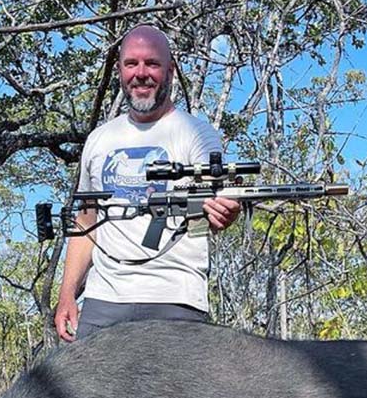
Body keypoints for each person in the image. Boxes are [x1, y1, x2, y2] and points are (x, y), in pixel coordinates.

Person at [54, 25, 242, 341]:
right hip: (104, 302)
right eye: (132, 64)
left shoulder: (197, 135)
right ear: (120, 70)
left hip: (176, 299)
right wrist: (67, 294)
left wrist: (224, 211)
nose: (141, 73)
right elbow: (87, 221)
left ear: (170, 69)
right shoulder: (99, 140)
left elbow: (218, 200)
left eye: (152, 64)